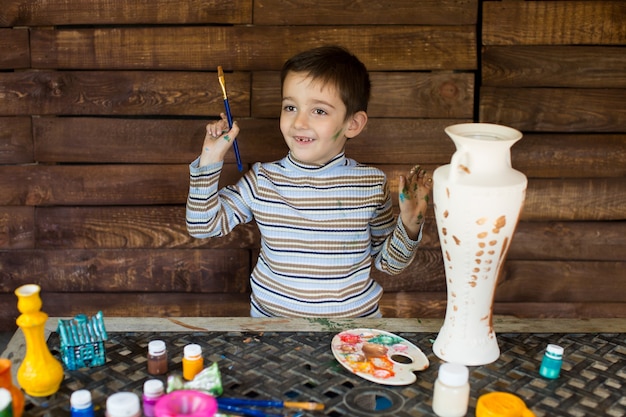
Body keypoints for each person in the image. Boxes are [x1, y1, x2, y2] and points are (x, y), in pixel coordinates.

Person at [186, 45, 432, 318]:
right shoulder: (263, 180)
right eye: (290, 107)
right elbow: (202, 226)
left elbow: (389, 263)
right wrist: (209, 158)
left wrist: (410, 224)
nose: (299, 122)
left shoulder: (371, 185)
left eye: (319, 111)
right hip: (274, 331)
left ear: (353, 124)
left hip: (353, 333)